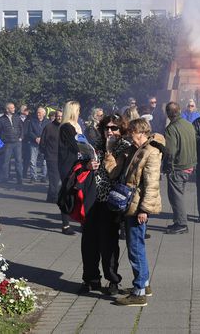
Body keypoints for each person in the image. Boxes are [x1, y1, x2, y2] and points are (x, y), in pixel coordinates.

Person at [79, 113, 133, 296]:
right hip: (92, 199)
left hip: (111, 201)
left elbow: (114, 173)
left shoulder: (124, 148)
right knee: (89, 242)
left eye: (114, 128)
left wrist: (110, 151)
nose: (109, 131)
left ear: (121, 130)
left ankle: (112, 280)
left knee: (109, 244)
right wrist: (87, 165)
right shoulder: (96, 146)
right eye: (106, 128)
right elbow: (80, 164)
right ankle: (91, 278)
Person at [115, 118, 164, 307]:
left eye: (132, 135)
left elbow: (151, 184)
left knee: (135, 248)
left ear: (141, 132)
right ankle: (144, 284)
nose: (130, 138)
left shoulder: (150, 152)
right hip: (133, 203)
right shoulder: (139, 149)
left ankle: (139, 293)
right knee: (137, 246)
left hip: (137, 207)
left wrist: (144, 209)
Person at [163, 102, 197, 234]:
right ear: (180, 110)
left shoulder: (171, 128)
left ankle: (182, 224)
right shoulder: (189, 124)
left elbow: (170, 151)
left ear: (168, 113)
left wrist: (167, 166)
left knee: (176, 196)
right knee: (179, 194)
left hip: (177, 167)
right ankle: (178, 221)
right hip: (189, 165)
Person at [58, 101, 85, 236]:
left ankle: (81, 221)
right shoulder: (66, 127)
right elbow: (75, 145)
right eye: (78, 110)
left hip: (78, 162)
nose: (79, 112)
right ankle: (65, 224)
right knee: (68, 192)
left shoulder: (77, 125)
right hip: (68, 164)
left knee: (79, 193)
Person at [0, 102, 24, 185]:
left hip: (17, 143)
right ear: (7, 109)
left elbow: (21, 128)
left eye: (14, 107)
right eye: (12, 108)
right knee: (6, 161)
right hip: (7, 143)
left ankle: (20, 179)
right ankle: (5, 178)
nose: (14, 109)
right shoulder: (1, 119)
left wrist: (21, 137)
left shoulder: (17, 117)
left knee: (18, 161)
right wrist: (3, 140)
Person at [41, 109, 63, 203]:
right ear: (55, 116)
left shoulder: (65, 127)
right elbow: (42, 142)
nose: (59, 118)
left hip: (62, 157)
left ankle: (50, 197)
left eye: (61, 116)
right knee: (54, 178)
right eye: (58, 116)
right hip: (51, 157)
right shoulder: (49, 127)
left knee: (57, 178)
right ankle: (54, 197)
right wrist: (46, 153)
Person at [27, 106, 50, 183]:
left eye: (40, 112)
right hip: (34, 143)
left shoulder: (48, 122)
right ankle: (33, 176)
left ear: (44, 113)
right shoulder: (32, 121)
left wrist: (42, 139)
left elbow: (49, 132)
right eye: (37, 112)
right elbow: (29, 132)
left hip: (44, 144)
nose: (38, 114)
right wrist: (36, 138)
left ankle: (43, 176)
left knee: (44, 162)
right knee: (32, 161)